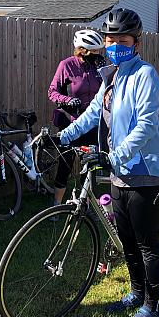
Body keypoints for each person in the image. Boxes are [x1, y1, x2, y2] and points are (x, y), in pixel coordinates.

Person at [54, 8, 159, 317]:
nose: (115, 44)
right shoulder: (112, 76)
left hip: (145, 169)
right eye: (110, 40)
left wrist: (114, 155)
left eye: (122, 40)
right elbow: (93, 114)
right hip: (120, 168)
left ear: (136, 43)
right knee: (127, 238)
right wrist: (61, 136)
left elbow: (148, 125)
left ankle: (153, 307)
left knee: (147, 241)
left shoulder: (144, 76)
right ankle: (137, 293)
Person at [47, 29, 105, 206]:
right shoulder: (67, 65)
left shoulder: (99, 67)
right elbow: (52, 92)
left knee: (91, 166)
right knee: (66, 165)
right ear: (82, 50)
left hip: (92, 124)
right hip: (70, 122)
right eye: (93, 52)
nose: (97, 56)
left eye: (98, 52)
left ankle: (86, 205)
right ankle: (57, 204)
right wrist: (67, 100)